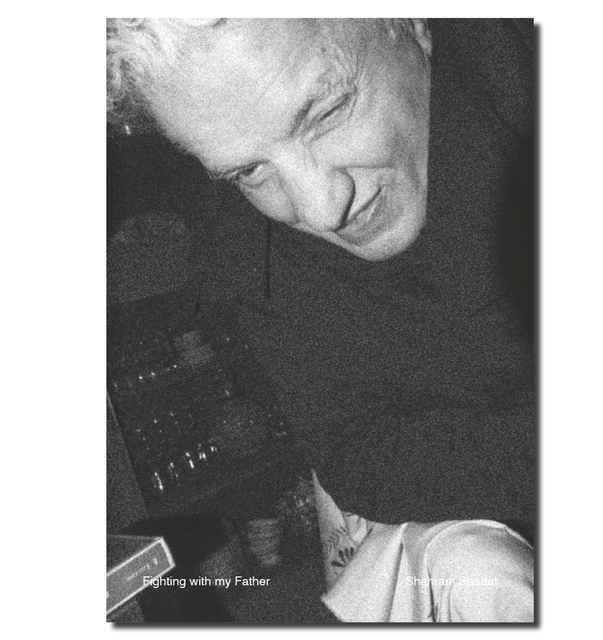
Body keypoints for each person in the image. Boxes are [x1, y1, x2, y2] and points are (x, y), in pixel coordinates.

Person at [107, 18, 535, 622]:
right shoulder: (245, 249)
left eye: (328, 112)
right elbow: (356, 455)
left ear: (412, 23)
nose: (320, 209)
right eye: (248, 171)